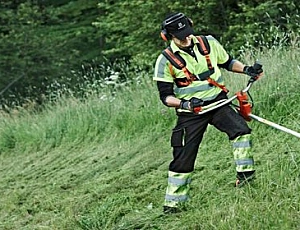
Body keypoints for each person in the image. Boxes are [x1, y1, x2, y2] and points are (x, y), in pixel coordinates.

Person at [153, 12, 263, 214]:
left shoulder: (208, 42)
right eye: (180, 36)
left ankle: (245, 178)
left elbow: (228, 62)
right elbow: (166, 97)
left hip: (218, 102)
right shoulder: (164, 60)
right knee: (183, 155)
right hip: (191, 112)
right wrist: (185, 104)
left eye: (187, 32)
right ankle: (173, 205)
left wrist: (247, 69)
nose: (186, 38)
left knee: (241, 131)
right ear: (167, 36)